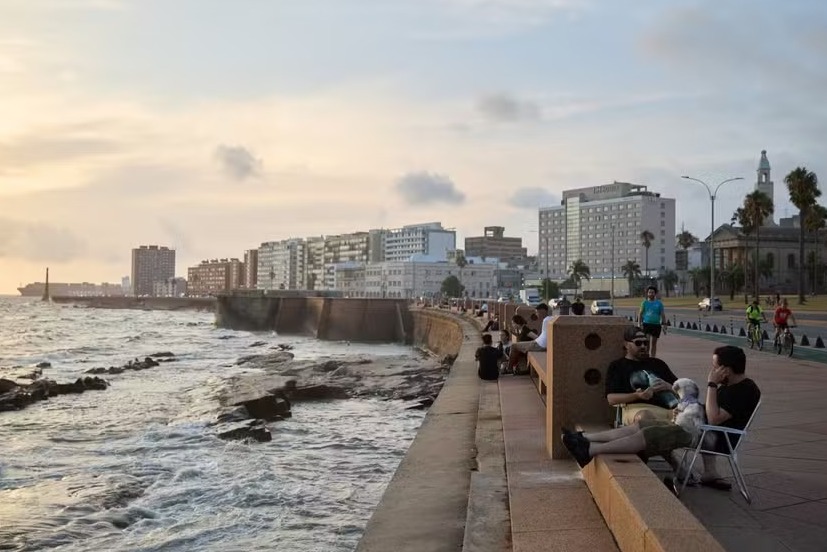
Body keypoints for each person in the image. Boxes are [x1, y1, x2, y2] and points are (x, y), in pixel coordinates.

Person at [562, 345, 761, 492]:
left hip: (713, 436)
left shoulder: (744, 390)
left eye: (715, 367)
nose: (712, 372)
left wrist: (711, 385)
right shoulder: (731, 386)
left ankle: (590, 450)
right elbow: (709, 412)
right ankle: (584, 438)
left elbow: (715, 418)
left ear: (726, 370)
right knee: (643, 424)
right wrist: (685, 411)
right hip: (699, 428)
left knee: (651, 433)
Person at [605, 326, 678, 425]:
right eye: (638, 343)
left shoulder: (658, 363)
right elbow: (611, 399)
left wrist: (668, 386)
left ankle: (665, 427)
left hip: (667, 409)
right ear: (626, 345)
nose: (643, 346)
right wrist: (636, 395)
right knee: (644, 417)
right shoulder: (618, 366)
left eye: (646, 343)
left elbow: (683, 389)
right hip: (637, 409)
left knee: (692, 412)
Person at [507, 303, 552, 371]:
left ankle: (509, 369)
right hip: (538, 343)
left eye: (537, 312)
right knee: (514, 347)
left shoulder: (546, 320)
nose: (536, 315)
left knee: (513, 346)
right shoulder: (548, 319)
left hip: (539, 345)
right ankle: (516, 367)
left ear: (542, 311)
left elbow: (538, 337)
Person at [639, 285, 667, 358]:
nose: (651, 294)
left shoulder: (659, 303)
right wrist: (639, 324)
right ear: (647, 293)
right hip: (646, 324)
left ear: (655, 293)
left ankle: (653, 358)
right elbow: (640, 314)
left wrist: (664, 324)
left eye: (652, 292)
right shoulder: (644, 303)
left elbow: (662, 314)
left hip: (656, 325)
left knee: (654, 343)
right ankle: (647, 357)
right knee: (647, 342)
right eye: (649, 292)